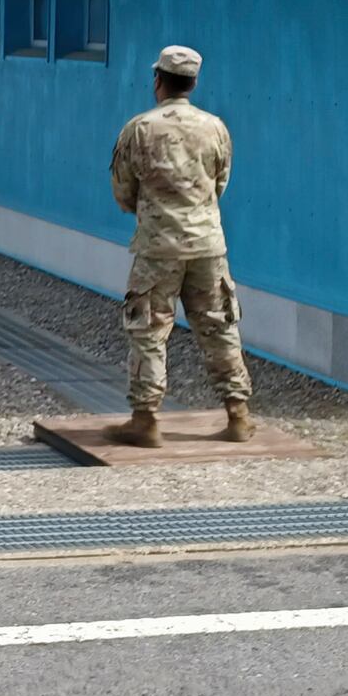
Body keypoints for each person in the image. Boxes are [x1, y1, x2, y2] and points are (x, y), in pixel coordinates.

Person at [108, 44, 252, 448]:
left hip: (157, 248)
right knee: (220, 327)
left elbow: (123, 190)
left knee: (149, 331)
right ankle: (238, 414)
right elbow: (220, 183)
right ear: (193, 82)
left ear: (158, 80)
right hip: (208, 245)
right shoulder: (216, 127)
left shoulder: (140, 128)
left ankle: (145, 418)